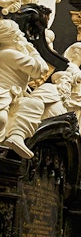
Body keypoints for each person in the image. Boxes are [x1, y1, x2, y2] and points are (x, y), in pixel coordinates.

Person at [0, 18, 49, 159]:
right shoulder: (10, 54)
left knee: (34, 105)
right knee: (2, 119)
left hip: (13, 94)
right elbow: (41, 69)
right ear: (12, 36)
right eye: (17, 33)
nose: (20, 35)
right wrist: (31, 49)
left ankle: (16, 136)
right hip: (4, 92)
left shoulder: (10, 52)